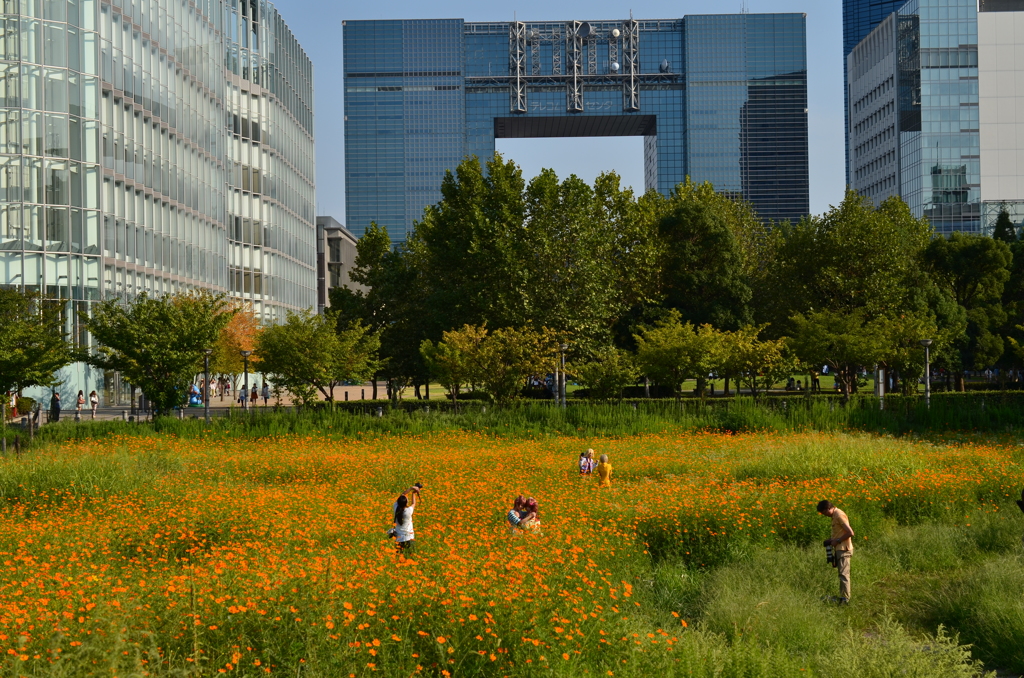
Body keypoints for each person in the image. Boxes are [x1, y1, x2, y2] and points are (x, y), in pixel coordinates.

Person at [817, 500, 854, 604]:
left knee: (844, 574)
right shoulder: (834, 515)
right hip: (839, 549)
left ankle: (845, 599)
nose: (824, 515)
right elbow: (840, 532)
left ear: (828, 508)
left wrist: (837, 541)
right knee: (842, 574)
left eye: (824, 513)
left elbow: (850, 532)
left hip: (844, 549)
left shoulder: (839, 515)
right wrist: (831, 540)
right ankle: (843, 597)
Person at [392, 483, 422, 554]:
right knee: (410, 556)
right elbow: (414, 503)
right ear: (406, 503)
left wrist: (411, 488)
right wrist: (413, 493)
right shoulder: (408, 511)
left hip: (399, 538)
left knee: (399, 555)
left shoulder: (395, 507)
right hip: (409, 537)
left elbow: (402, 495)